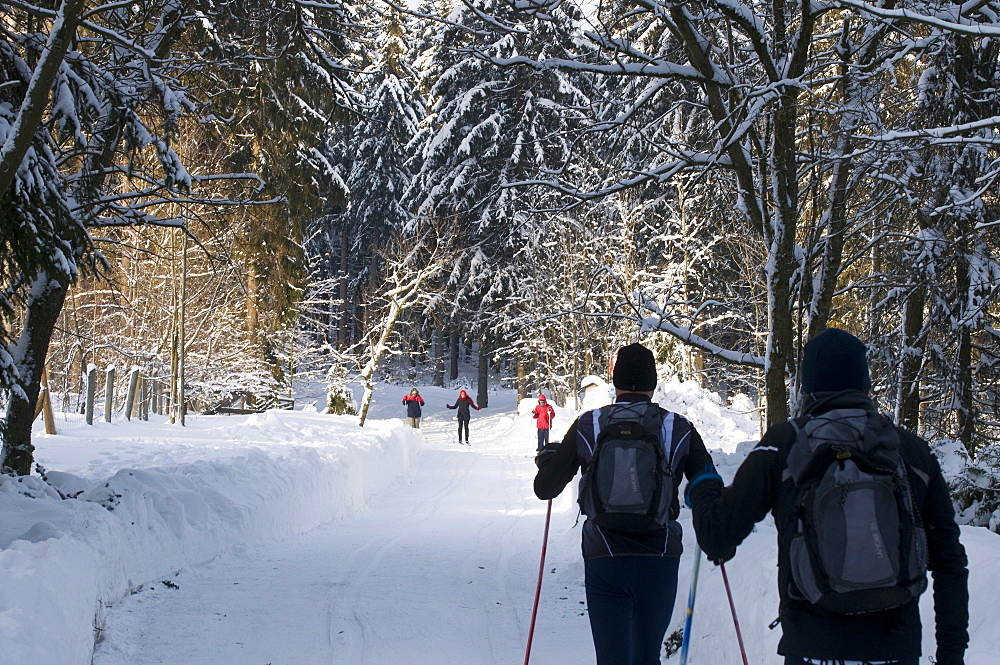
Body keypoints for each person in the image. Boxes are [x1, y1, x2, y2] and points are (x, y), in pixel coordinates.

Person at [686, 328, 970, 665]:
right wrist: (951, 654)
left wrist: (703, 483)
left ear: (807, 388)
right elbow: (949, 561)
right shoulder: (909, 451)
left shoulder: (784, 444)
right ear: (865, 385)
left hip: (813, 647)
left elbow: (717, 537)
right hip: (896, 647)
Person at [534, 342, 717, 665]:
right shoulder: (678, 427)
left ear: (615, 383)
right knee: (646, 656)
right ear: (653, 383)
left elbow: (545, 489)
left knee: (612, 658)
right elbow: (708, 484)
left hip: (604, 556)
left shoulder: (590, 424)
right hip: (660, 557)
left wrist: (550, 461)